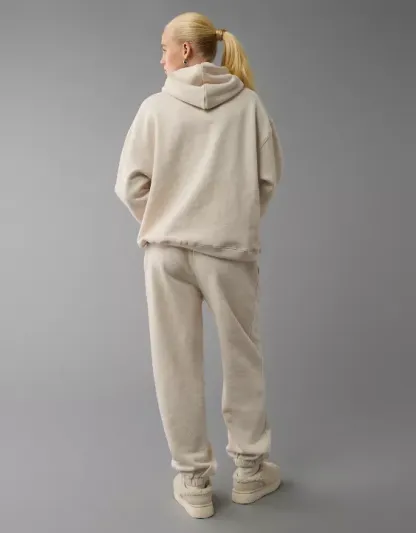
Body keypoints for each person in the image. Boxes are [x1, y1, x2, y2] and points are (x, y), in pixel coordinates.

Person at [115, 12, 283, 519]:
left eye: (164, 47)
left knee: (175, 362)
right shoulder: (249, 106)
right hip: (228, 251)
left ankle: (193, 481)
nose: (160, 57)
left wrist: (164, 219)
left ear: (186, 50)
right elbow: (267, 181)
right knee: (243, 356)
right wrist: (231, 221)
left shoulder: (154, 108)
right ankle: (250, 471)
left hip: (166, 254)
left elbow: (130, 185)